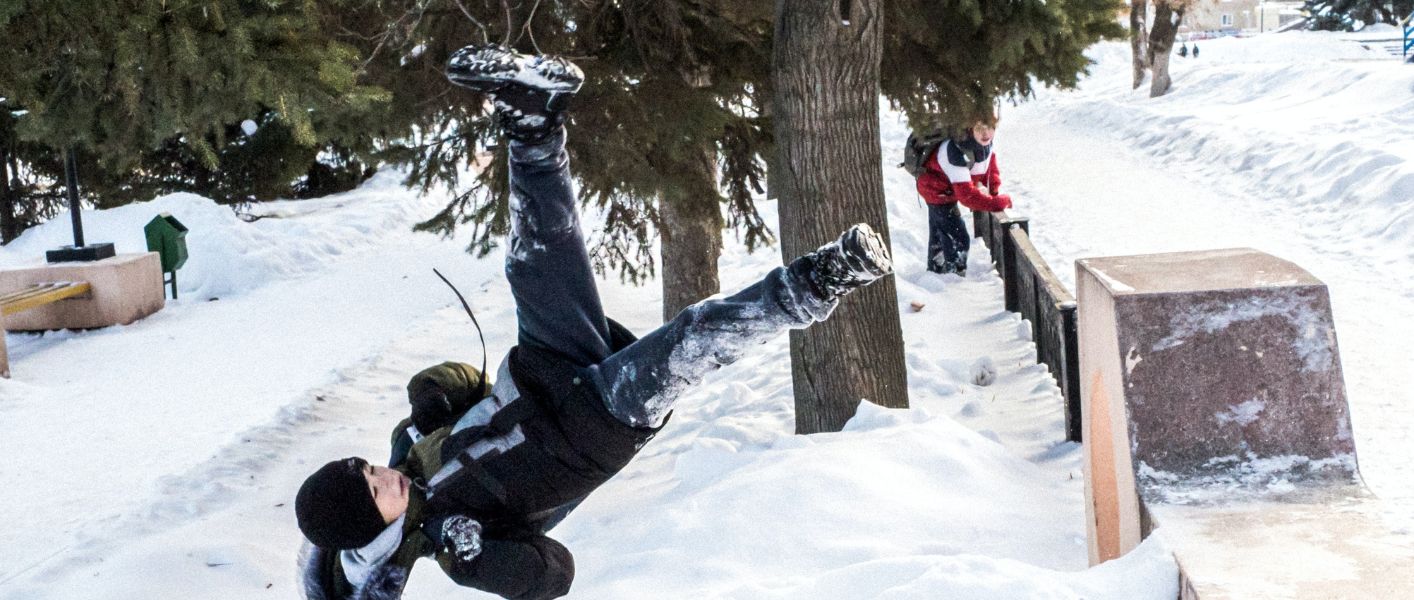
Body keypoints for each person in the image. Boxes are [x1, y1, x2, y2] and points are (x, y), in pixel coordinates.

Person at [295, 44, 895, 600]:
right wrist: (483, 560)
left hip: (541, 371)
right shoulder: (454, 545)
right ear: (374, 528)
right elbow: (555, 574)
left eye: (372, 470)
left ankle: (534, 119)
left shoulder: (409, 451)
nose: (387, 478)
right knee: (692, 339)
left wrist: (436, 391)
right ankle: (823, 279)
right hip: (594, 430)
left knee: (537, 261)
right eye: (378, 492)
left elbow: (466, 388)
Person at [914, 112, 1010, 275]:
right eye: (980, 128)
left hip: (945, 189)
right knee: (958, 239)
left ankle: (937, 272)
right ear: (970, 128)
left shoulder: (982, 143)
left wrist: (993, 189)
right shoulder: (955, 151)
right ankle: (953, 277)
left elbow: (988, 164)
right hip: (937, 192)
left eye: (990, 128)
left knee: (940, 233)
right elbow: (967, 196)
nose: (986, 133)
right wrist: (997, 203)